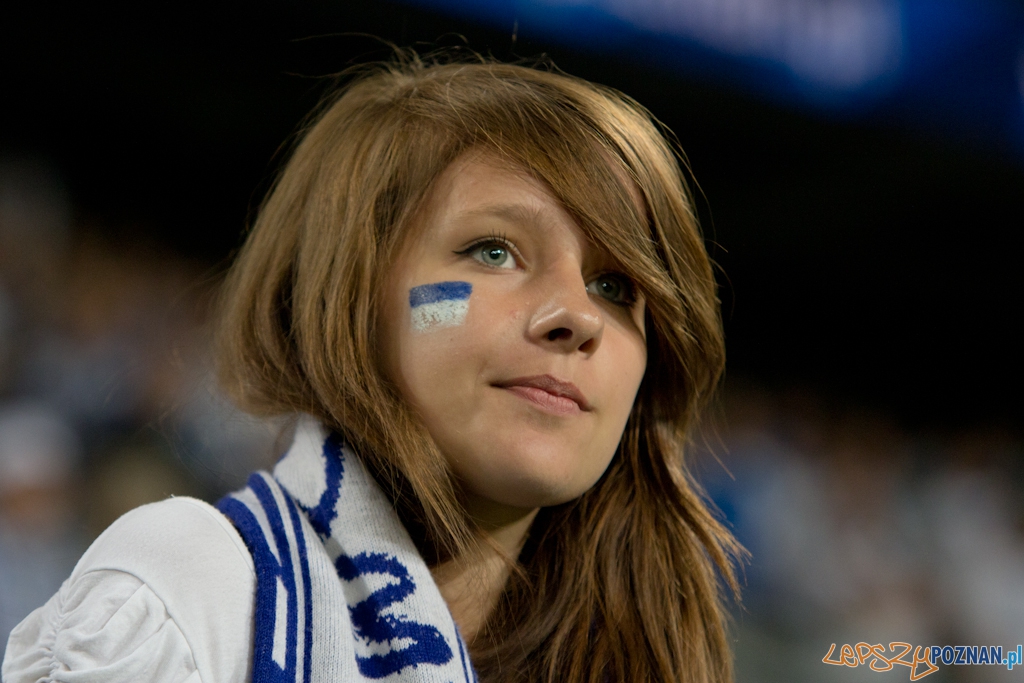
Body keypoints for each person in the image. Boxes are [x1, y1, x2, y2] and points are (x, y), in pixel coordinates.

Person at [2, 55, 741, 683]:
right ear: (350, 295)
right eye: (494, 249)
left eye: (617, 287)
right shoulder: (194, 590)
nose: (576, 315)